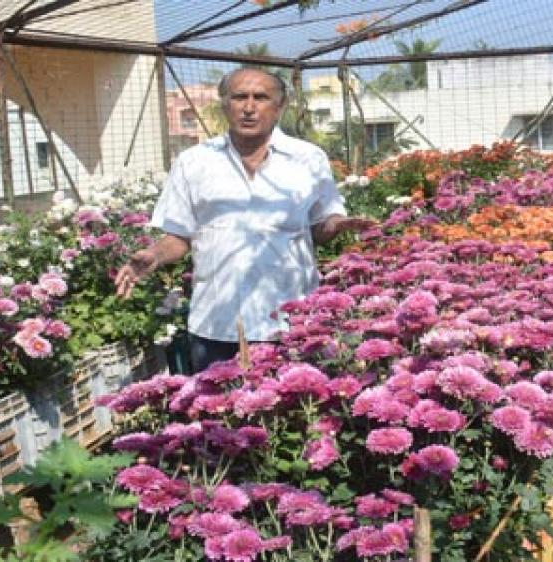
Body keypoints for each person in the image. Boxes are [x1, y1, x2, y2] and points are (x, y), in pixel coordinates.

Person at [114, 67, 375, 371]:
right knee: (218, 414)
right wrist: (155, 255)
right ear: (224, 104)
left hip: (294, 321)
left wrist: (336, 225)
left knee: (298, 413)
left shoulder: (308, 158)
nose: (249, 107)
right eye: (239, 97)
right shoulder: (195, 162)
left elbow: (320, 226)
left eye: (261, 97)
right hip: (217, 323)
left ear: (280, 106)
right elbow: (179, 236)